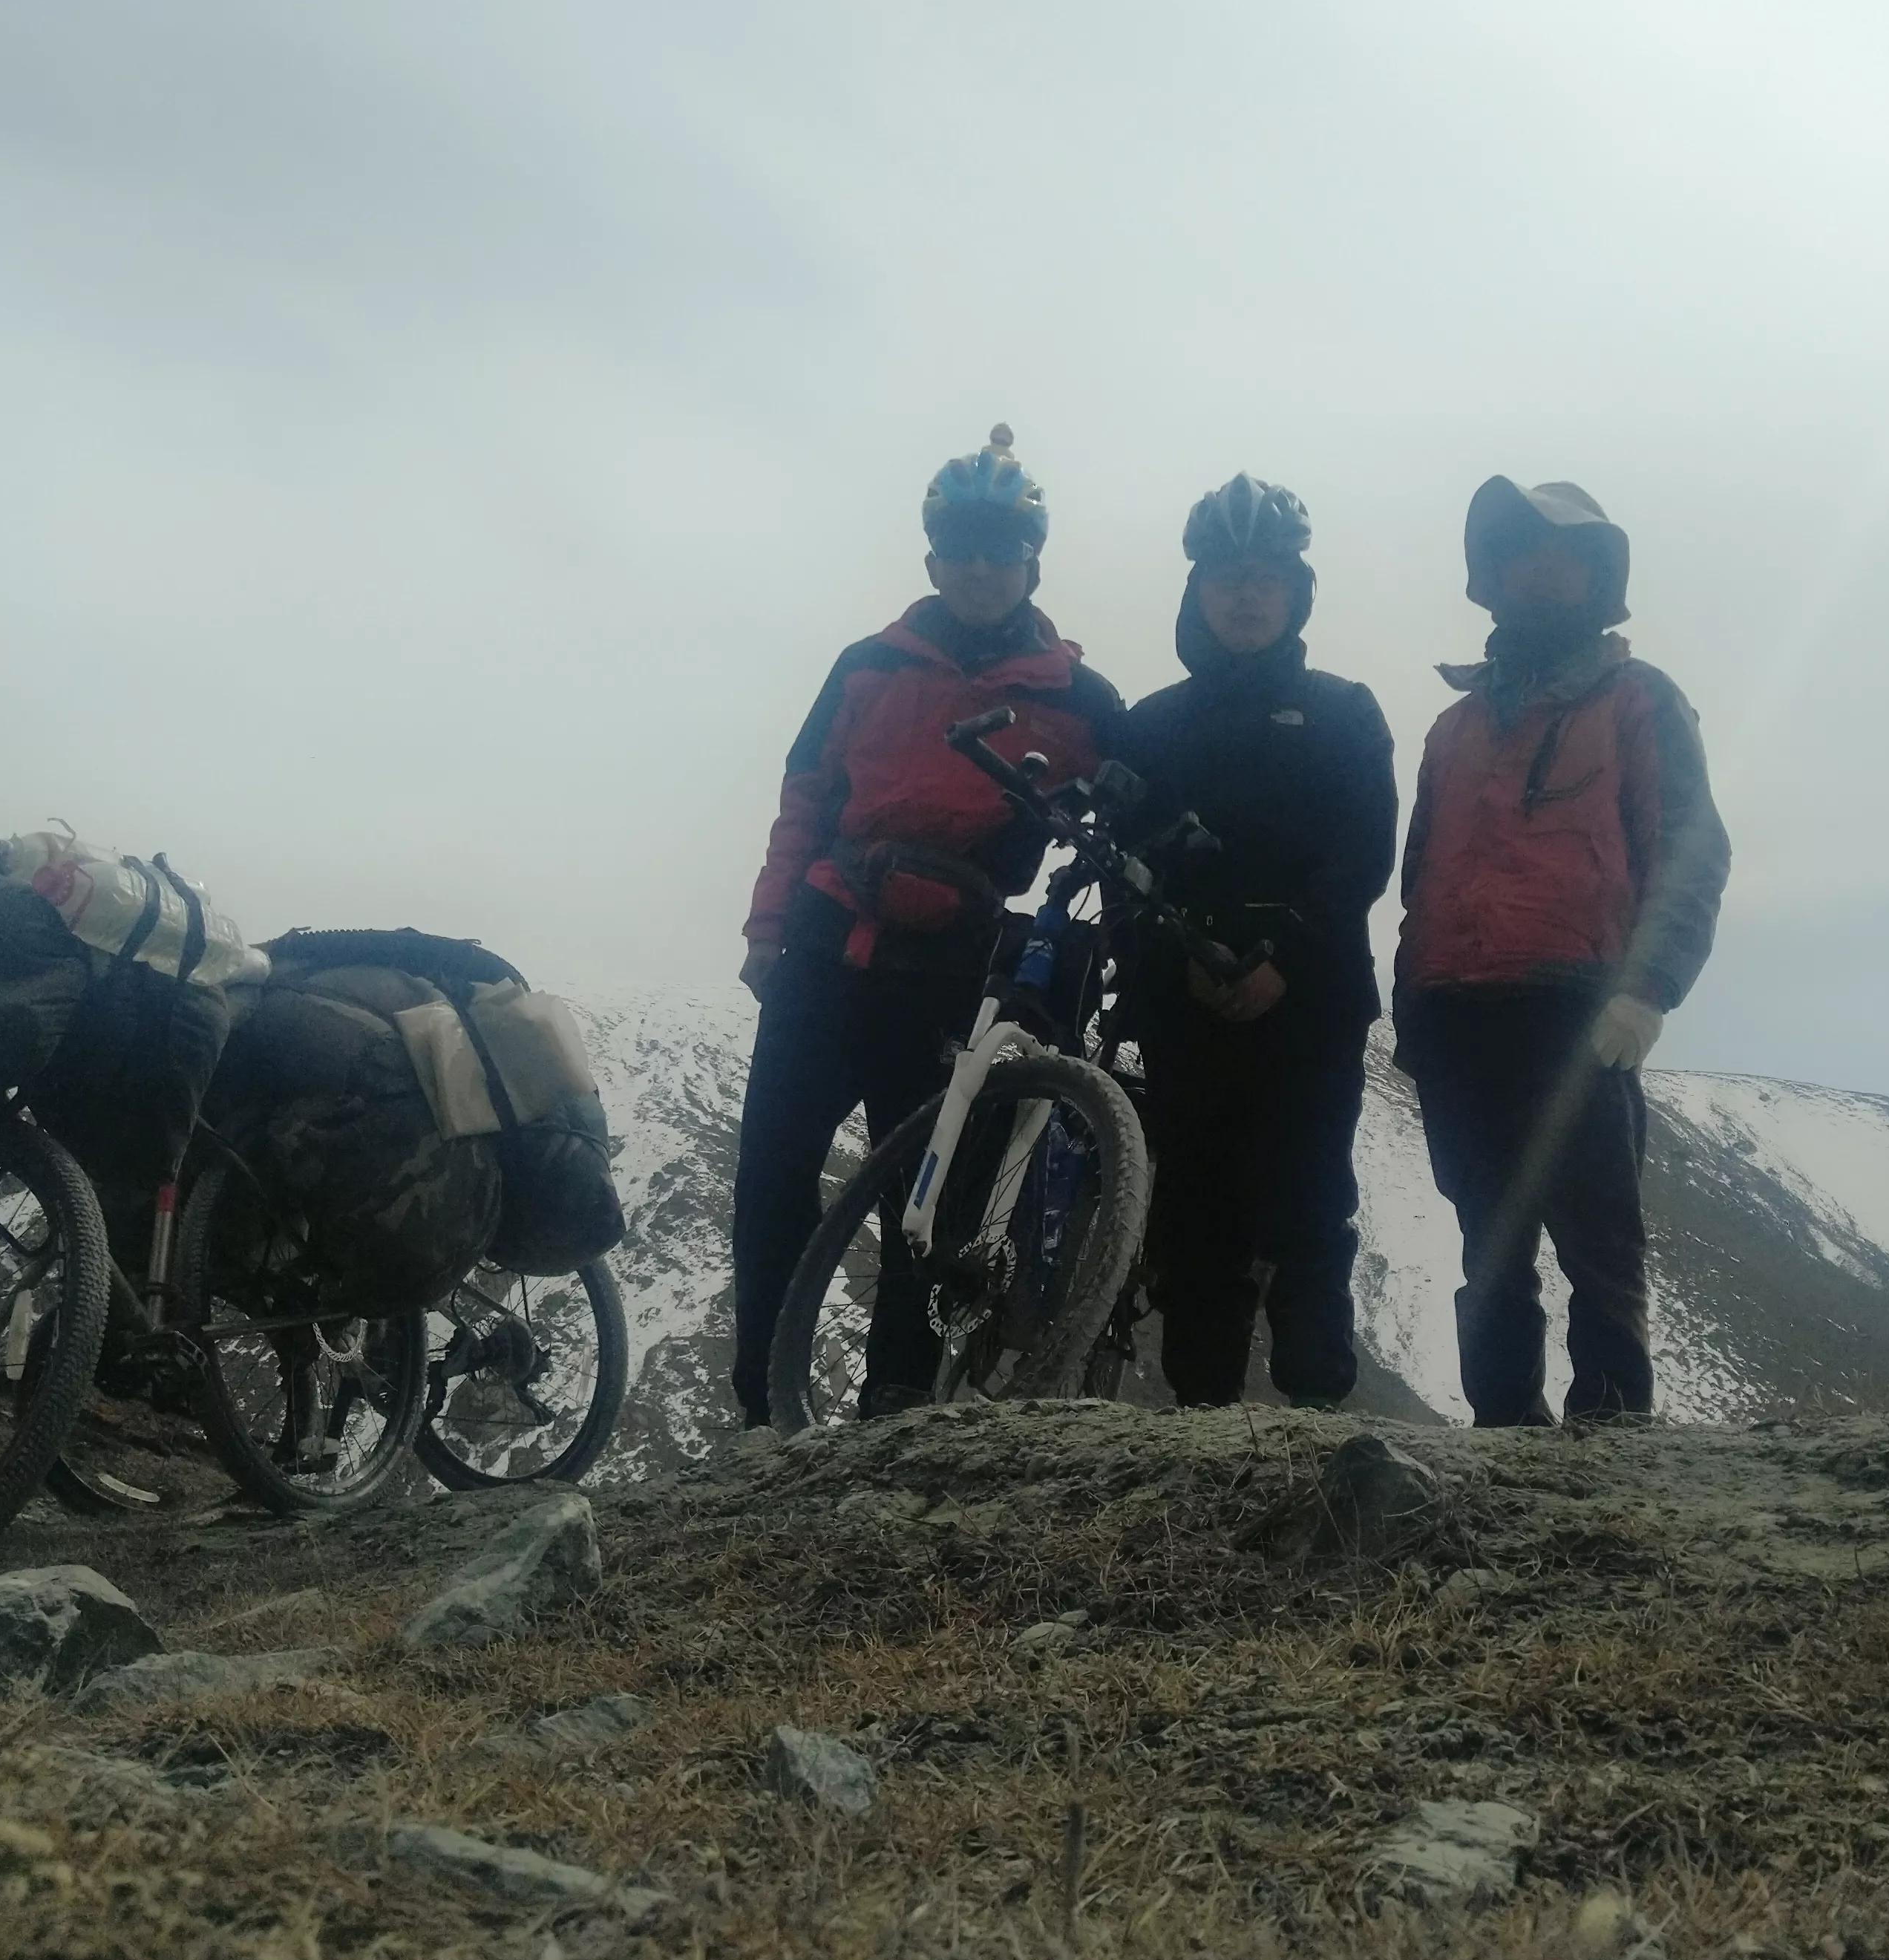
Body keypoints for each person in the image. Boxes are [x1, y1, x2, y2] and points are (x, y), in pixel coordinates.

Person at [727, 427, 1123, 1425]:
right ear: (933, 557)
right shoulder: (868, 665)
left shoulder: (1078, 698)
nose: (980, 566)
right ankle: (760, 1410)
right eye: (961, 547)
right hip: (829, 946)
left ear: (1033, 560)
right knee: (772, 1178)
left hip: (954, 966)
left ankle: (894, 1399)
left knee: (928, 1190)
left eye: (1000, 547)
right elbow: (806, 793)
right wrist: (768, 929)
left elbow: (1130, 805)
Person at [1392, 477, 1731, 1426]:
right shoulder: (1451, 730)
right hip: (1457, 1009)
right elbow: (1422, 878)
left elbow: (1688, 849)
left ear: (1595, 579)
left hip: (1578, 1003)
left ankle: (1611, 1439)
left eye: (1560, 558)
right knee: (1487, 1244)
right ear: (1489, 579)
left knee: (1598, 1239)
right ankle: (1503, 1435)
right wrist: (1411, 1006)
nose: (1536, 574)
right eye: (1516, 557)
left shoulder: (1639, 701)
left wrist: (1650, 989)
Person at [1116, 474, 1395, 1408]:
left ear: (1296, 592)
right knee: (1196, 1220)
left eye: (1264, 576)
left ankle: (1319, 1427)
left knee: (1310, 1212)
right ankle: (1202, 1433)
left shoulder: (1345, 713)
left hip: (1308, 1010)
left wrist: (1287, 962)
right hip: (1182, 1013)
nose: (1244, 592)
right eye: (1225, 575)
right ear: (1194, 591)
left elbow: (1361, 860)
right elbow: (1118, 869)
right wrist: (1176, 968)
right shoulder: (1149, 726)